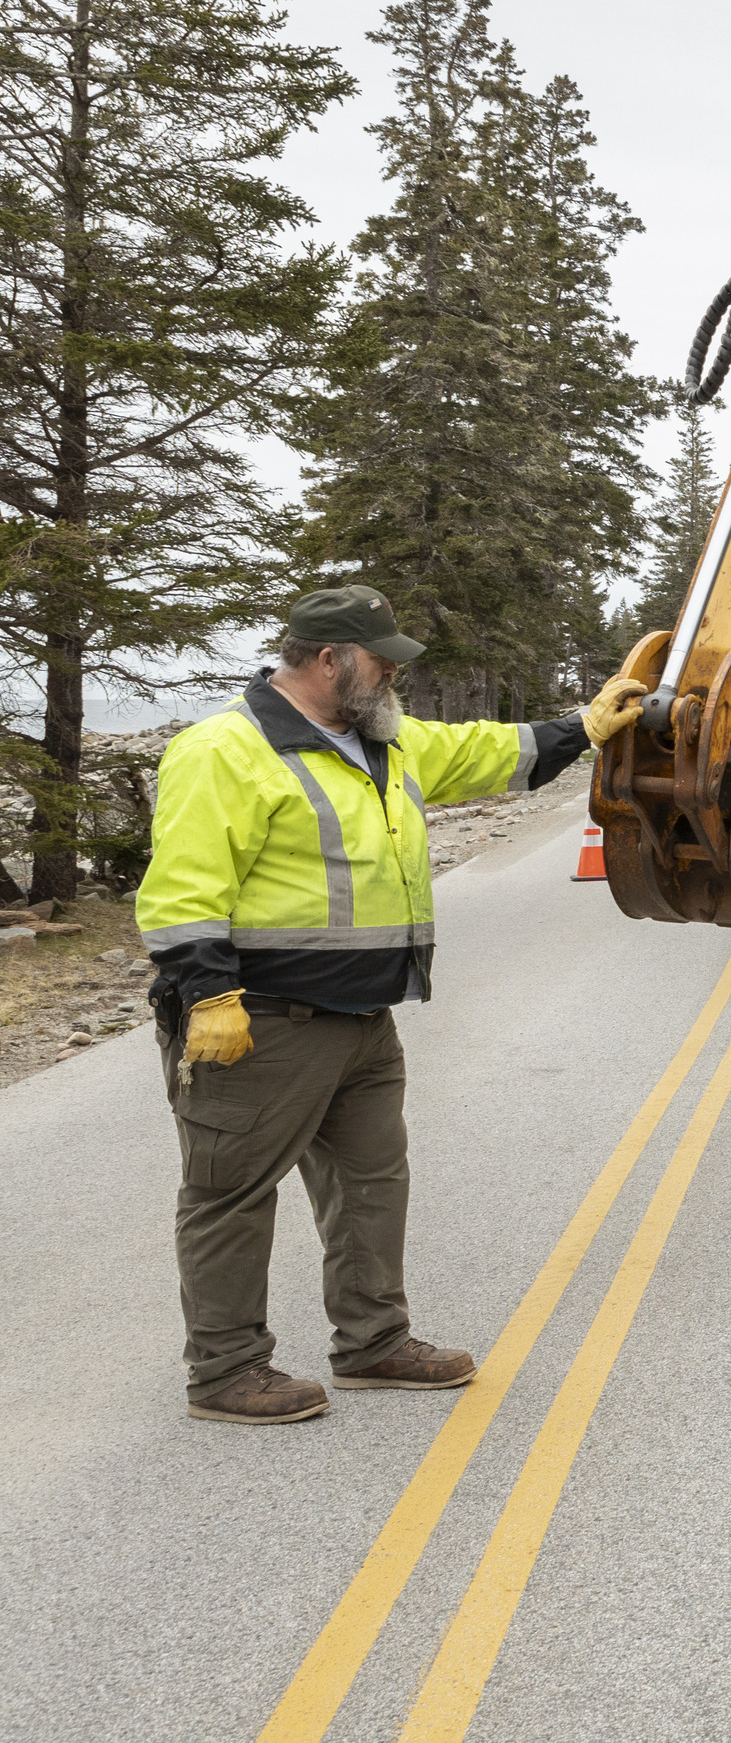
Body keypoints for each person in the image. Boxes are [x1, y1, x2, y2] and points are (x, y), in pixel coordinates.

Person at [136, 587, 647, 1425]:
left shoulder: (382, 741)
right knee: (229, 1193)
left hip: (363, 1018)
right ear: (331, 659)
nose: (396, 675)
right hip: (260, 1017)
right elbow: (185, 888)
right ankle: (225, 1371)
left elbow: (486, 750)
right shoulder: (225, 749)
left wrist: (582, 728)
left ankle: (372, 1343)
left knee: (372, 1184)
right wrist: (207, 995)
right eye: (382, 660)